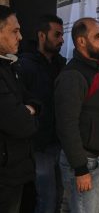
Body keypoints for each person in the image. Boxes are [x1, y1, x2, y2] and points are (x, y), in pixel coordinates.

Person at [54, 17, 99, 213]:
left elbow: (98, 115)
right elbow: (67, 125)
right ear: (81, 41)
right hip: (84, 164)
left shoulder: (93, 71)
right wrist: (80, 169)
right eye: (98, 36)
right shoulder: (73, 75)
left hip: (96, 161)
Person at [19, 14, 66, 213]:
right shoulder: (24, 65)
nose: (61, 39)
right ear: (41, 35)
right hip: (39, 146)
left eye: (62, 35)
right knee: (46, 200)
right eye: (57, 34)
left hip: (61, 143)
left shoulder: (62, 64)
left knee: (59, 199)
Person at [0, 5, 40, 213]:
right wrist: (28, 112)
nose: (21, 37)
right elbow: (20, 122)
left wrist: (29, 108)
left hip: (17, 173)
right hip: (6, 178)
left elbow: (34, 100)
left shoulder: (10, 66)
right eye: (14, 31)